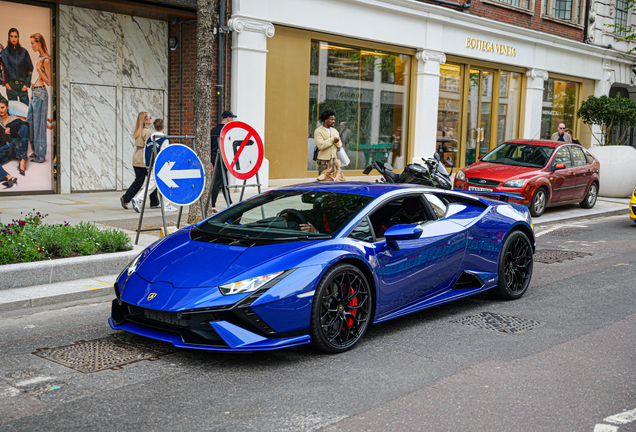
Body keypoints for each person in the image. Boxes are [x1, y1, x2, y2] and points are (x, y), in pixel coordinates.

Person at [131, 118, 177, 212]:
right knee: (159, 184)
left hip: (151, 165)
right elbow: (165, 154)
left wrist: (147, 165)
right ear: (163, 127)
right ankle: (139, 199)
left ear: (154, 127)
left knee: (155, 184)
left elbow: (145, 153)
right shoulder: (164, 139)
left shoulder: (149, 139)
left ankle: (140, 199)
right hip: (161, 166)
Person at [121, 112, 159, 209]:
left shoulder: (139, 130)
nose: (151, 119)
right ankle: (154, 202)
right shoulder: (147, 132)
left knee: (139, 181)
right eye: (149, 117)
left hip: (137, 158)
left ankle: (126, 198)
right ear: (145, 120)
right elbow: (149, 147)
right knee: (152, 180)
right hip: (143, 159)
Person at [26, 33, 50, 164]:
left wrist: (40, 71)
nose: (31, 46)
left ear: (39, 43)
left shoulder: (46, 59)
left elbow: (49, 82)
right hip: (34, 94)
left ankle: (40, 156)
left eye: (33, 43)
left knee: (39, 126)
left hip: (41, 94)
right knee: (31, 122)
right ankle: (36, 151)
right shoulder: (40, 57)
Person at [209, 110, 236, 210]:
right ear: (228, 118)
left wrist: (211, 161)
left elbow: (209, 146)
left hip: (215, 157)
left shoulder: (214, 130)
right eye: (231, 118)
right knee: (218, 182)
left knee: (224, 180)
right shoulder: (228, 131)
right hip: (224, 158)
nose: (232, 120)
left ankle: (229, 202)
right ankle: (212, 204)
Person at [0, 29, 33, 106]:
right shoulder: (4, 53)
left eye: (15, 36)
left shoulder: (24, 52)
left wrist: (27, 84)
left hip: (22, 86)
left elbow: (30, 69)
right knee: (14, 111)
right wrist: (4, 83)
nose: (14, 38)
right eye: (12, 36)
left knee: (25, 110)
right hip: (10, 86)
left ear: (18, 38)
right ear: (9, 38)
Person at [0, 97, 28, 179]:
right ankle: (8, 177)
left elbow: (25, 124)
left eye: (2, 107)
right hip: (5, 150)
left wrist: (10, 126)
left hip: (16, 147)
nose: (0, 110)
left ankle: (22, 160)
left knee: (24, 127)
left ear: (7, 107)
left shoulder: (14, 119)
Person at [314, 109, 342, 175]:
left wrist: (336, 141)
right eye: (332, 119)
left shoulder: (335, 131)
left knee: (334, 180)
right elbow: (321, 145)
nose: (334, 121)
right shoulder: (318, 131)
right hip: (323, 160)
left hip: (334, 160)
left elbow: (339, 145)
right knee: (323, 179)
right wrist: (333, 140)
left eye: (334, 119)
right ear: (326, 120)